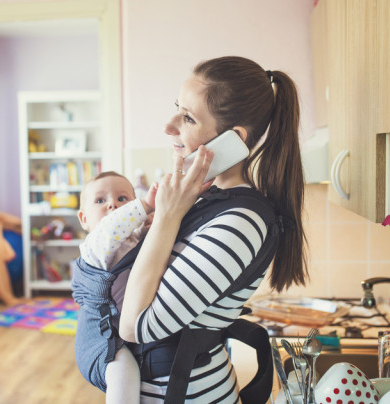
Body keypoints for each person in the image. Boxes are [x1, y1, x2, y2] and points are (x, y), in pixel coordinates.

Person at [119, 56, 309, 403]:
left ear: (234, 140)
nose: (169, 126)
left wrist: (165, 218)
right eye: (177, 108)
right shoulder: (204, 199)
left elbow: (136, 327)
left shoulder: (241, 222)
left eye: (188, 118)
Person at [72, 171, 157, 404]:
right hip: (99, 337)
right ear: (84, 219)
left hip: (123, 328)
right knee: (124, 370)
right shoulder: (95, 245)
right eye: (100, 201)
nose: (112, 204)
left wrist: (151, 226)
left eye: (123, 198)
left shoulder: (132, 238)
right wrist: (146, 204)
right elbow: (111, 228)